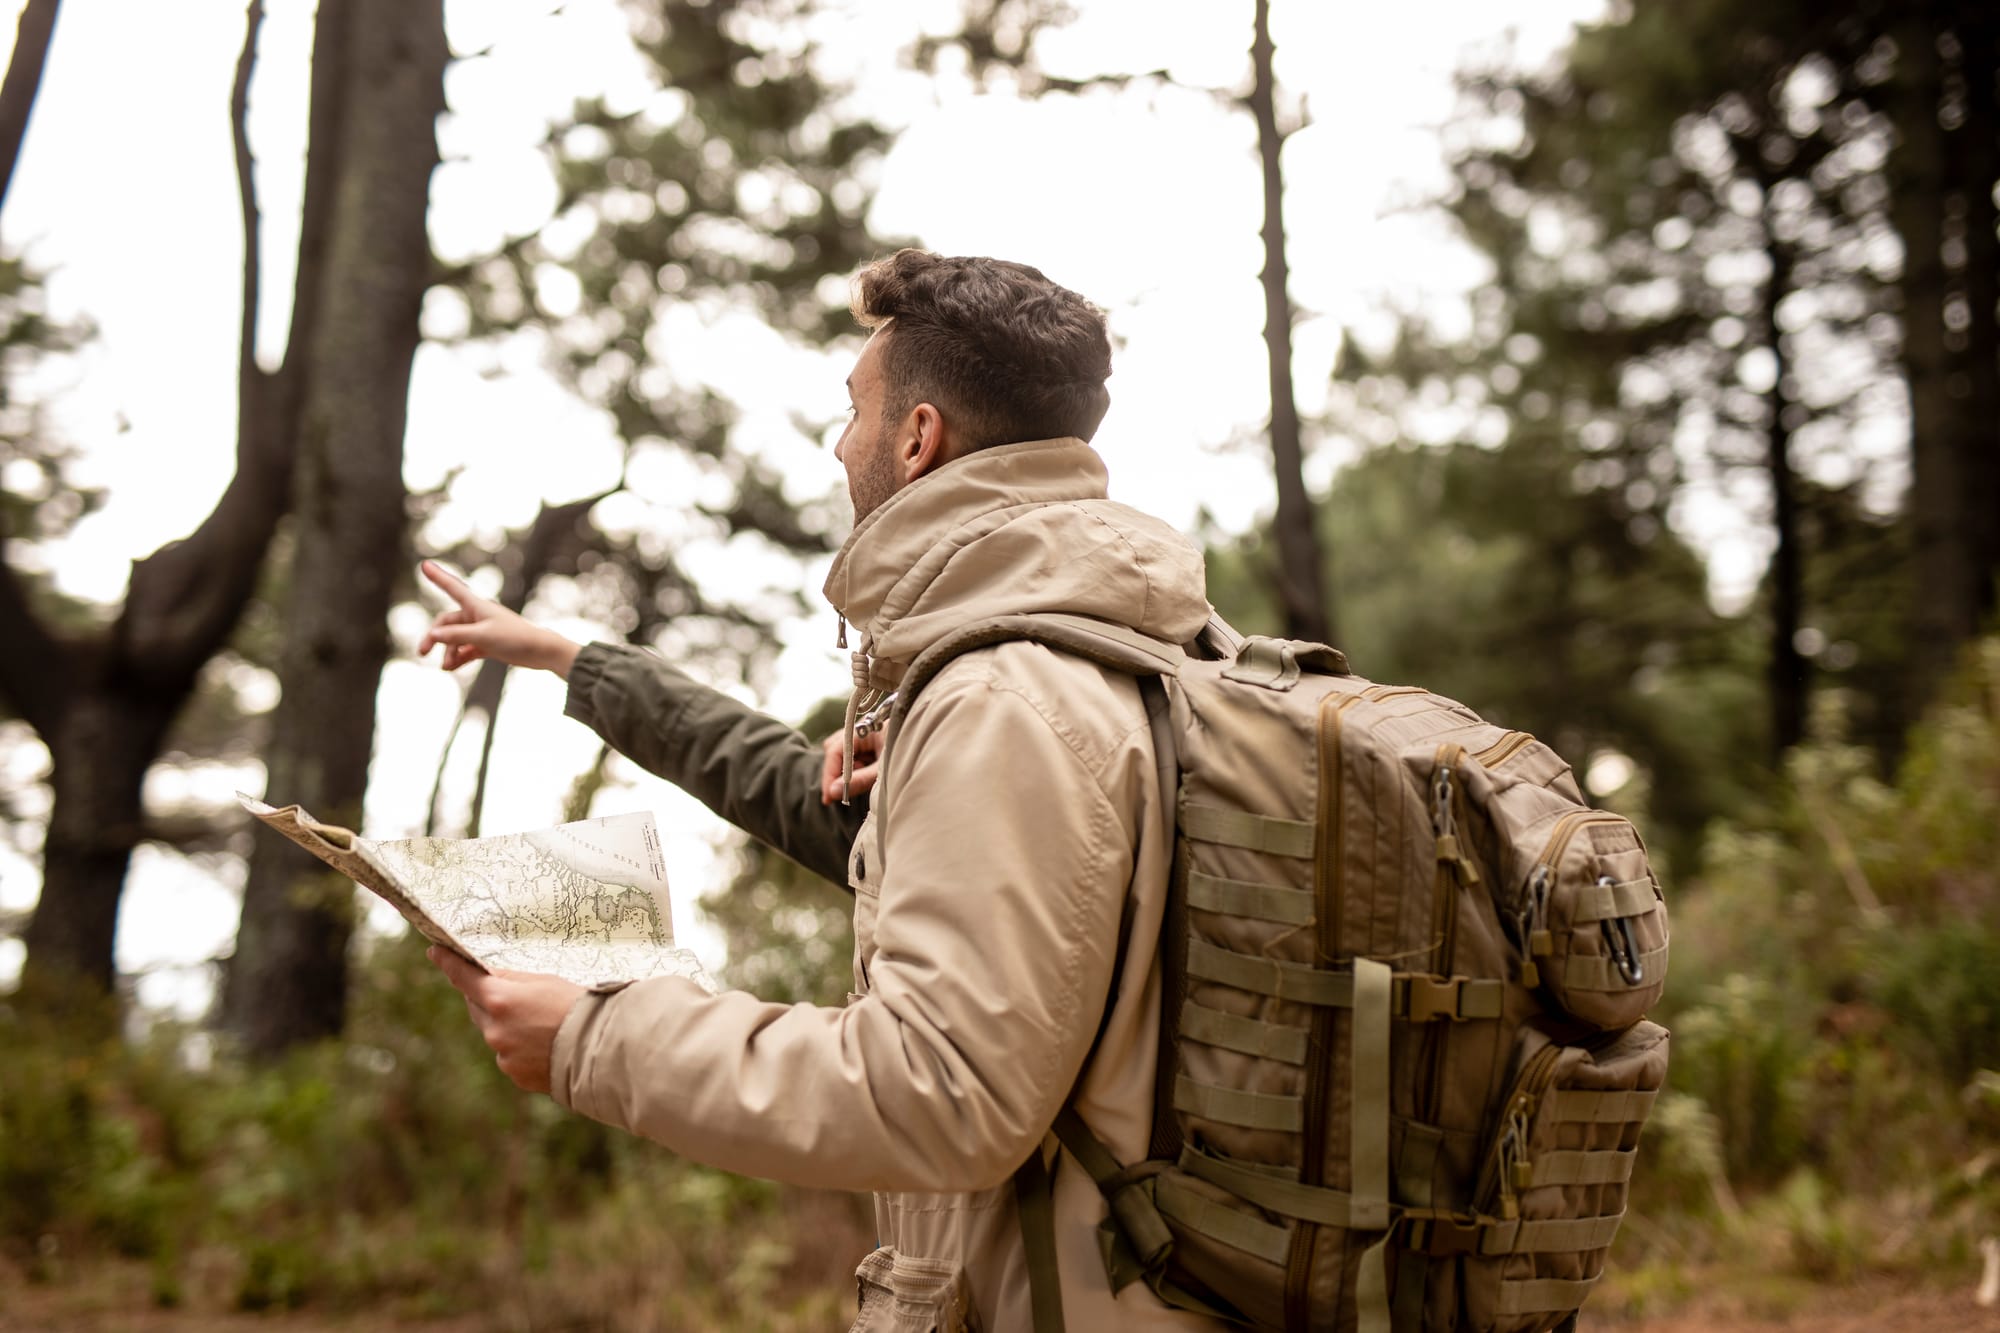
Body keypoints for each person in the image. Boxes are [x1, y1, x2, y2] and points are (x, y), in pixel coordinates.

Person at [418, 249, 1221, 1331]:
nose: (839, 443)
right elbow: (805, 801)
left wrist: (591, 1039)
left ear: (917, 435)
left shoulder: (1003, 701)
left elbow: (939, 1089)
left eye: (853, 408)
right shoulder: (1153, 656)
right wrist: (569, 656)